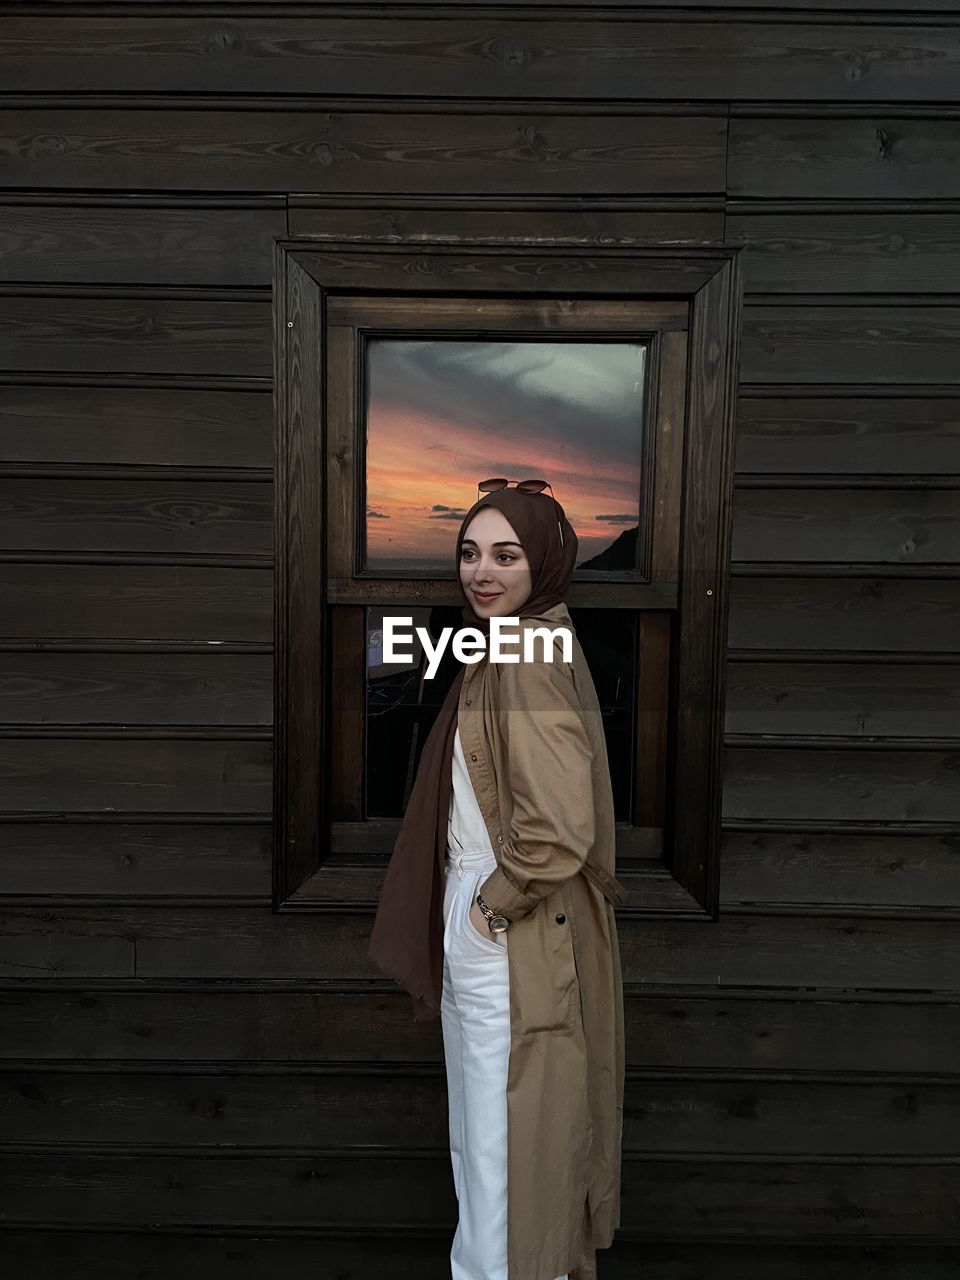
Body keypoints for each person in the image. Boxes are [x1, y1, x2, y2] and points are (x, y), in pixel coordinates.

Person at [369, 481, 627, 1280]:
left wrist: (488, 907)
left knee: (502, 1158)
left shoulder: (525, 657)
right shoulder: (522, 643)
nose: (481, 572)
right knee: (492, 1152)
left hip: (504, 928)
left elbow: (556, 829)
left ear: (543, 562)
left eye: (505, 556)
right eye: (470, 553)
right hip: (491, 919)